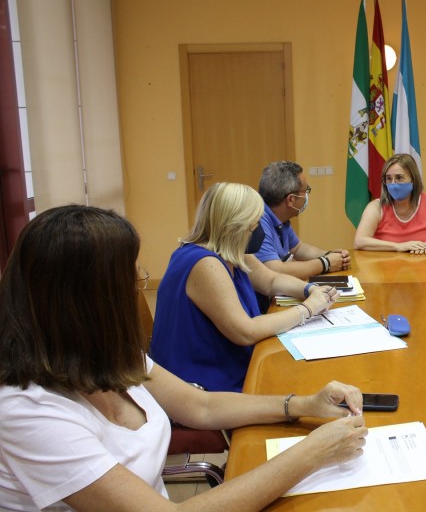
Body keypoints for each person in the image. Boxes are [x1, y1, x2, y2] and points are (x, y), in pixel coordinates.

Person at [0, 204, 368, 511]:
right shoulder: (26, 410)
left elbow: (201, 407)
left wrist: (303, 404)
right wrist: (311, 454)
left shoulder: (102, 356)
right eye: (132, 279)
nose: (142, 279)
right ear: (89, 302)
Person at [150, 182, 339, 392]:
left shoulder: (232, 253)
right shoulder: (204, 263)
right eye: (255, 222)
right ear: (236, 225)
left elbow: (271, 281)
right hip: (203, 385)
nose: (258, 229)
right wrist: (307, 309)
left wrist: (310, 290)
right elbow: (245, 332)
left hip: (231, 366)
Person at [256, 161, 351, 278]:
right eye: (306, 191)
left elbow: (299, 249)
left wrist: (330, 255)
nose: (306, 196)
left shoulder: (280, 217)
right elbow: (276, 269)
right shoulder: (257, 223)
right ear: (291, 199)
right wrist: (326, 263)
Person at [354, 154, 426, 254]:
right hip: (388, 270)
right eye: (388, 179)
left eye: (399, 178)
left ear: (413, 180)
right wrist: (398, 246)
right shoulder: (376, 207)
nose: (393, 184)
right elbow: (359, 241)